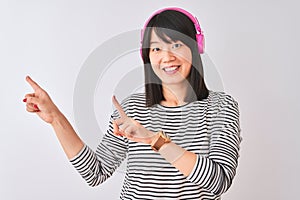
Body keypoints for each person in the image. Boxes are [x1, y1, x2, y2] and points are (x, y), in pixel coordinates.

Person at [23, 7, 241, 200]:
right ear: (147, 55)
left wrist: (155, 140)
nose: (166, 57)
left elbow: (218, 182)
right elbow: (95, 173)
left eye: (176, 44)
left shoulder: (221, 107)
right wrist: (55, 119)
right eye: (156, 48)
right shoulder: (132, 109)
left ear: (195, 47)